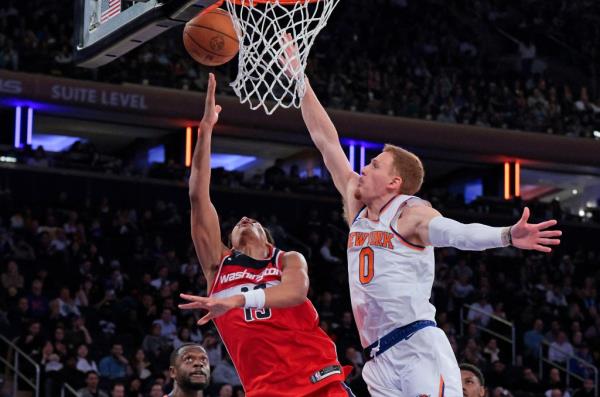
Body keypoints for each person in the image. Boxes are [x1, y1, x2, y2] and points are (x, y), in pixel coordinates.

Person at [285, 33, 562, 396]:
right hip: (378, 358)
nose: (364, 169)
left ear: (394, 182)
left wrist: (507, 235)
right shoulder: (357, 204)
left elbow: (459, 233)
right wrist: (299, 80)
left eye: (375, 164)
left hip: (417, 347)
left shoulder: (411, 213)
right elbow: (326, 140)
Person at [179, 74, 353, 397]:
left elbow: (296, 293)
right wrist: (205, 132)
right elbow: (198, 196)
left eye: (253, 221)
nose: (244, 219)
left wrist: (237, 299)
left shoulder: (287, 260)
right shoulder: (218, 266)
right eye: (238, 223)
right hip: (265, 391)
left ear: (269, 239)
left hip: (318, 381)